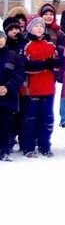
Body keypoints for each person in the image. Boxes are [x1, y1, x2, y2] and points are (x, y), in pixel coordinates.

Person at [21, 16, 62, 157]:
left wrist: (54, 63)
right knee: (31, 118)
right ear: (30, 28)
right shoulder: (27, 45)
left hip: (48, 88)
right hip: (32, 89)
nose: (39, 28)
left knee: (47, 118)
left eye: (41, 26)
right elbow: (26, 66)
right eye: (36, 26)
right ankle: (29, 147)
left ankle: (45, 145)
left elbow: (58, 63)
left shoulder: (51, 45)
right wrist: (44, 64)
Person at [0, 30, 25, 161]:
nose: (0, 40)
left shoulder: (13, 55)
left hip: (7, 97)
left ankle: (4, 151)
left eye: (1, 38)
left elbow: (20, 73)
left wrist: (7, 87)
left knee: (5, 124)